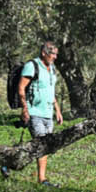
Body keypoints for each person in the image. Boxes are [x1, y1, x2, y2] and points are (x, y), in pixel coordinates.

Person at [18, 40, 62, 180]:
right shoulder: (32, 66)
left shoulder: (52, 68)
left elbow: (50, 90)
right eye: (52, 54)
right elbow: (21, 88)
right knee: (42, 145)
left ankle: (10, 159)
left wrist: (57, 110)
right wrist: (25, 109)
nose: (55, 57)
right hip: (34, 112)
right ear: (44, 53)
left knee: (44, 145)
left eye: (56, 54)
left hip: (48, 113)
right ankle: (42, 179)